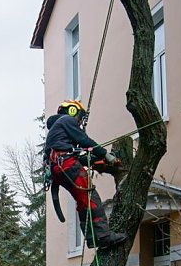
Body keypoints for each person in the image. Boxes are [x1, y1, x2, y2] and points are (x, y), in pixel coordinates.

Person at [44, 99, 127, 249]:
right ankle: (104, 236)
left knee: (83, 201)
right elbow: (84, 140)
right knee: (91, 198)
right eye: (80, 118)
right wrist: (105, 154)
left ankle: (91, 238)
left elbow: (71, 155)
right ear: (73, 111)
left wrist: (95, 160)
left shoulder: (55, 132)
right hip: (67, 164)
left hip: (58, 169)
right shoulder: (67, 120)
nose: (79, 122)